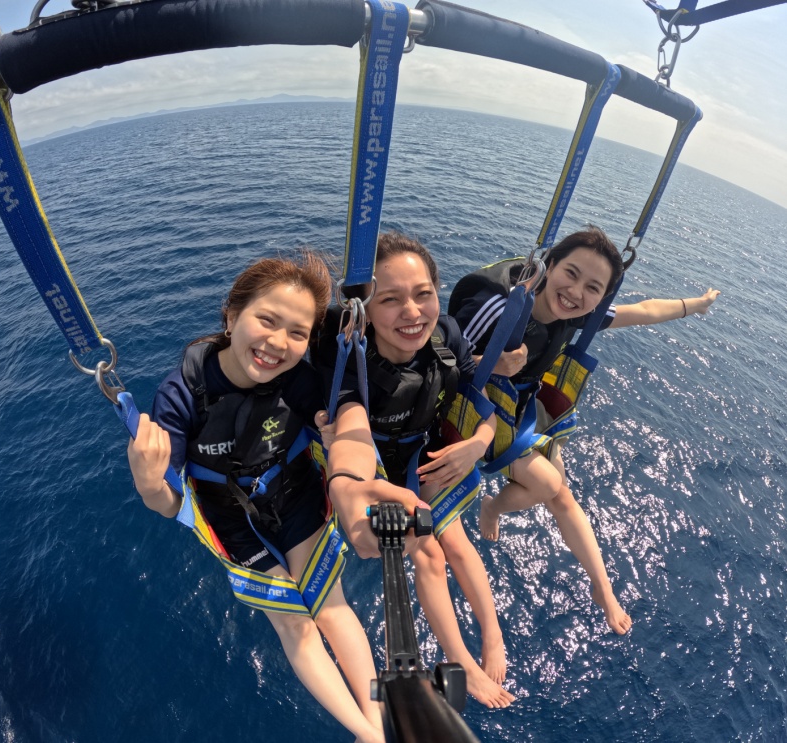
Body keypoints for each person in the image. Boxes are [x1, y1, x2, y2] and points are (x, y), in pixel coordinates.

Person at [126, 252, 384, 743]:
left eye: (297, 332)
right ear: (231, 315)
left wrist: (339, 444)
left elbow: (343, 419)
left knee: (330, 605)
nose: (277, 344)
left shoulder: (301, 382)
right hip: (226, 513)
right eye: (266, 320)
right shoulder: (183, 393)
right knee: (295, 624)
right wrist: (147, 479)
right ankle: (367, 736)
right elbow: (166, 502)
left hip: (295, 489)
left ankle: (377, 721)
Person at [448, 225, 720, 635]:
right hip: (478, 406)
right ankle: (494, 507)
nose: (577, 293)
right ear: (548, 264)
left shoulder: (581, 313)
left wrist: (693, 306)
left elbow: (642, 312)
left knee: (563, 496)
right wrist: (487, 362)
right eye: (570, 273)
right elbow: (438, 360)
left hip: (522, 404)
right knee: (547, 484)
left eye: (593, 287)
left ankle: (602, 587)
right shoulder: (498, 307)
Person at [314, 232, 515, 709]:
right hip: (371, 460)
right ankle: (459, 657)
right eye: (390, 300)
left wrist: (476, 447)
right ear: (363, 312)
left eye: (423, 294)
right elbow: (351, 428)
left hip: (420, 451)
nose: (413, 312)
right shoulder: (344, 351)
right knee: (429, 553)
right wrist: (348, 483)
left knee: (459, 543)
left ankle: (492, 633)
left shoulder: (446, 335)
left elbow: (479, 403)